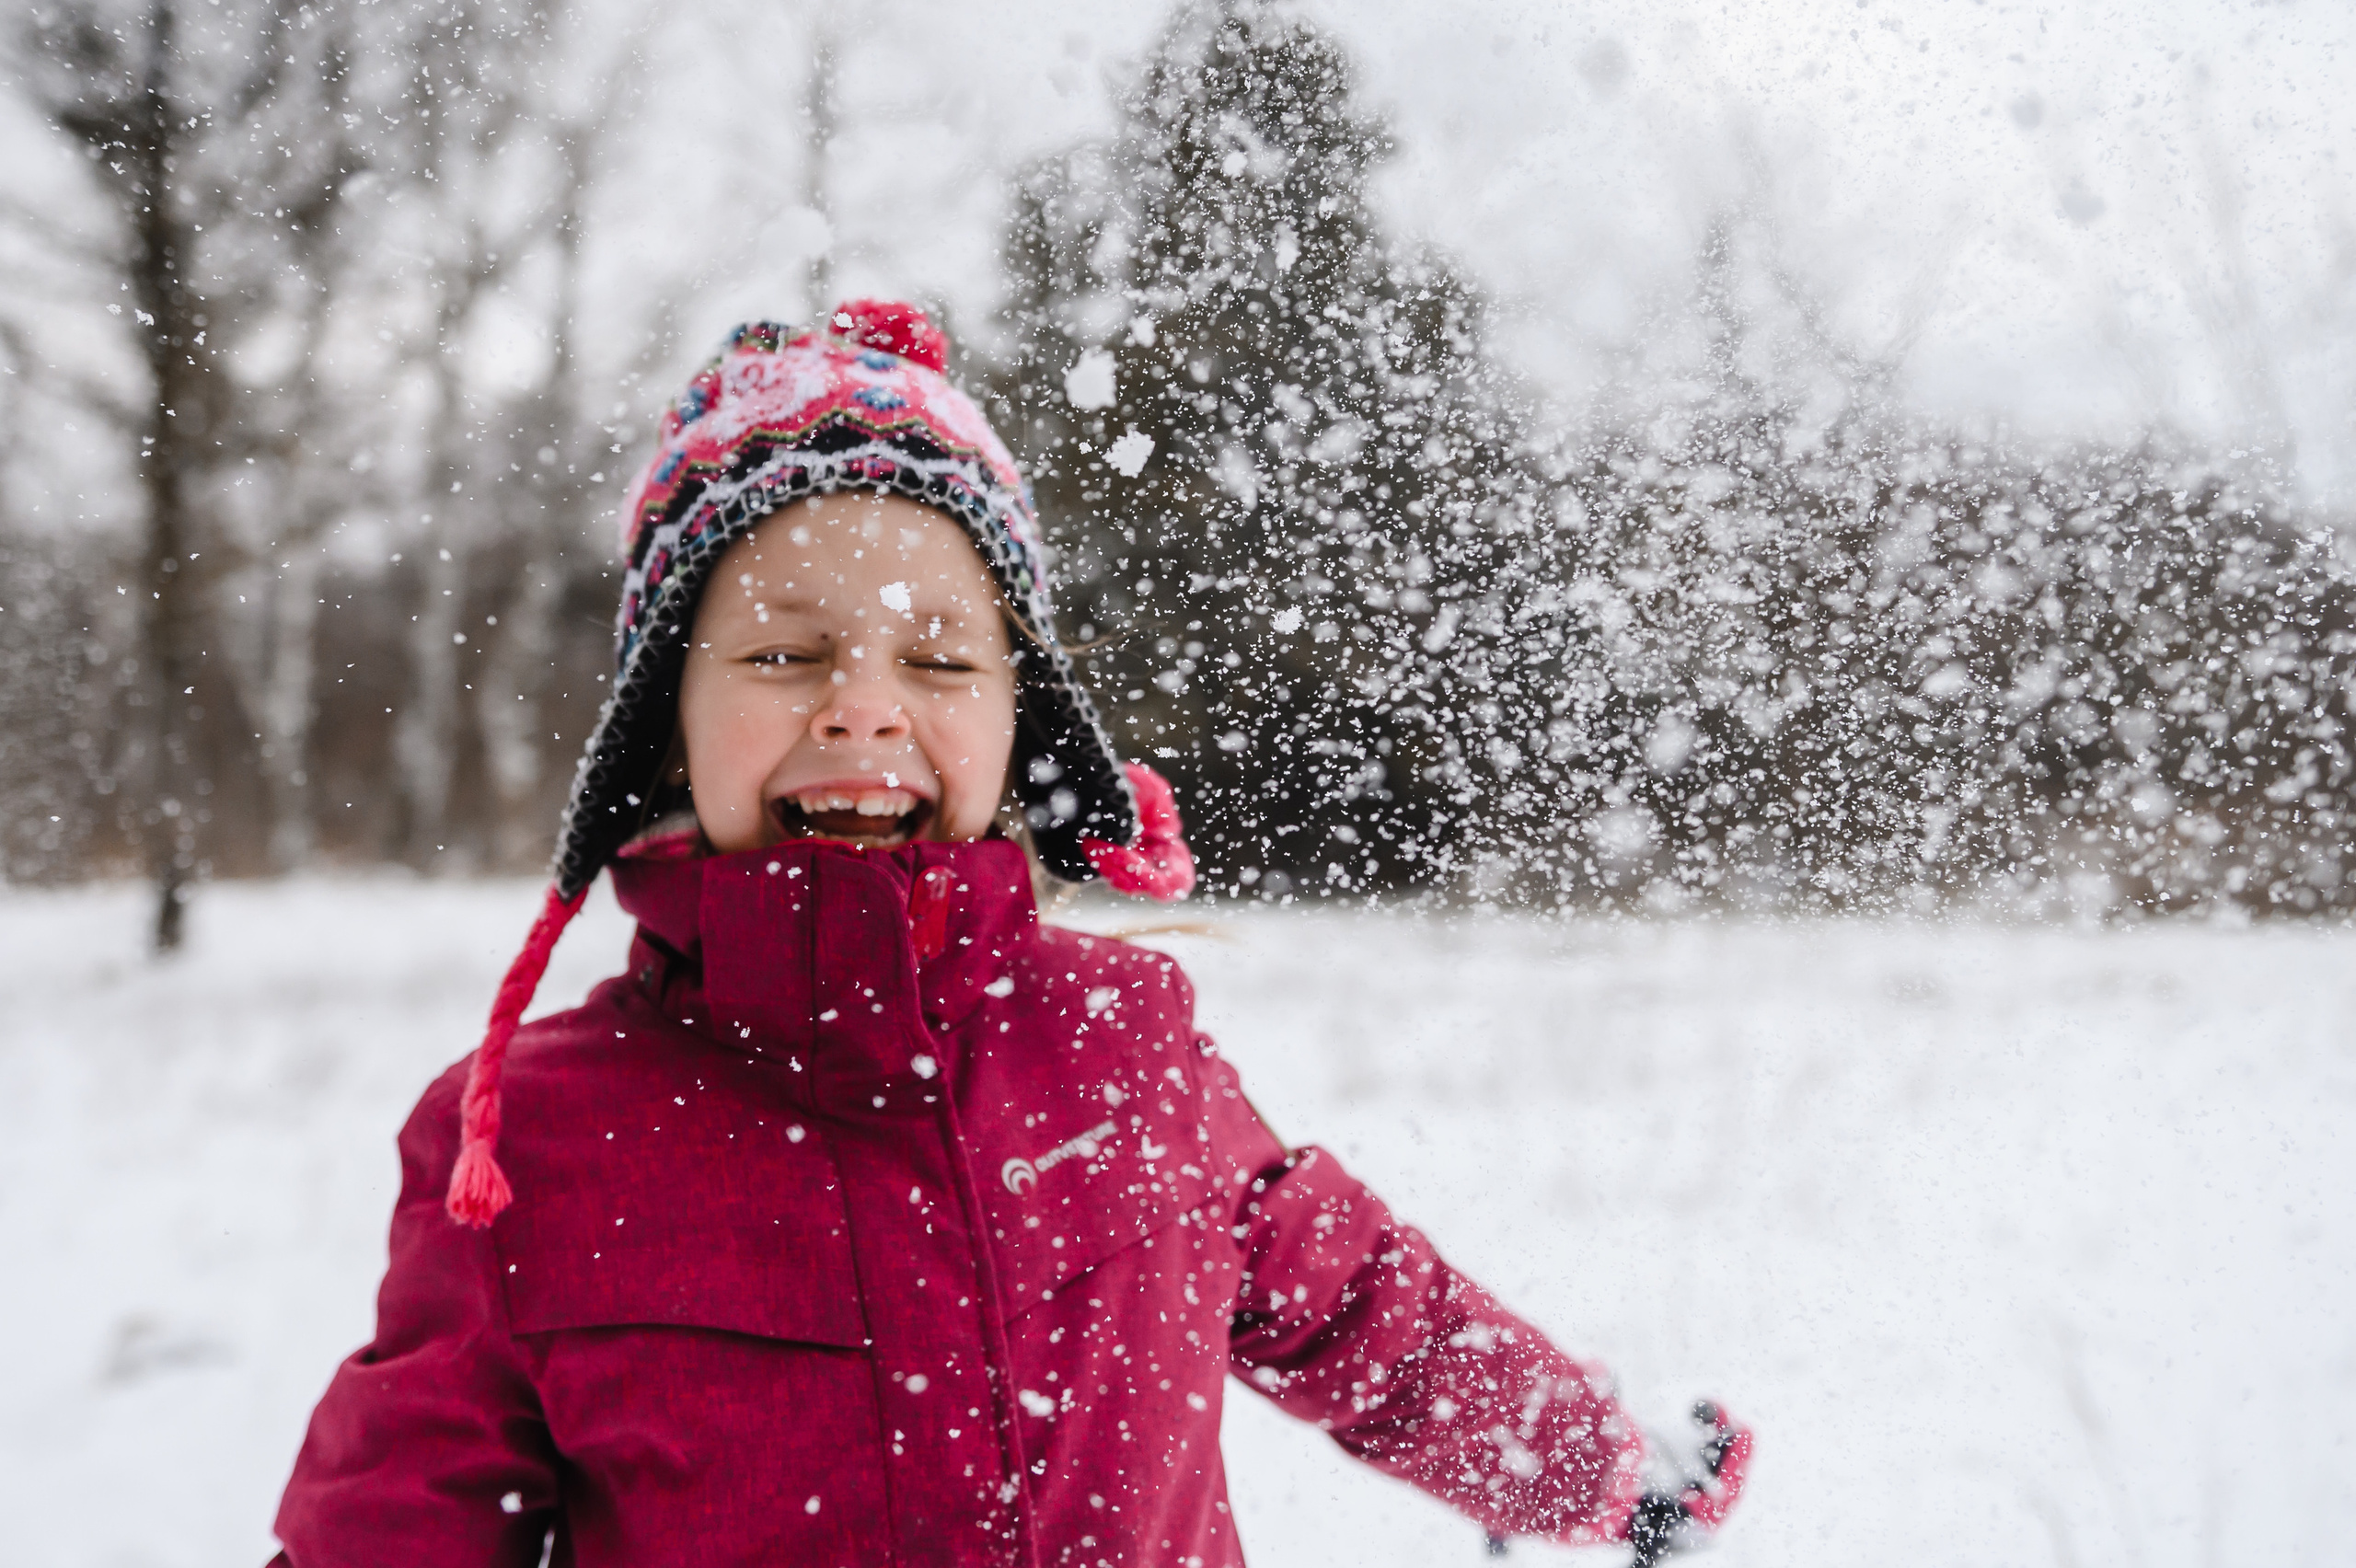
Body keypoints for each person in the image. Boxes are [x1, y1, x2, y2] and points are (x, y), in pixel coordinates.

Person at [268, 301, 1750, 1567]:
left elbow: (1356, 1307)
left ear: (1019, 719)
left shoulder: (1123, 1052)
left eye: (935, 655)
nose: (862, 703)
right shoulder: (528, 1146)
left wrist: (1596, 1459)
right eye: (784, 653)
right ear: (665, 725)